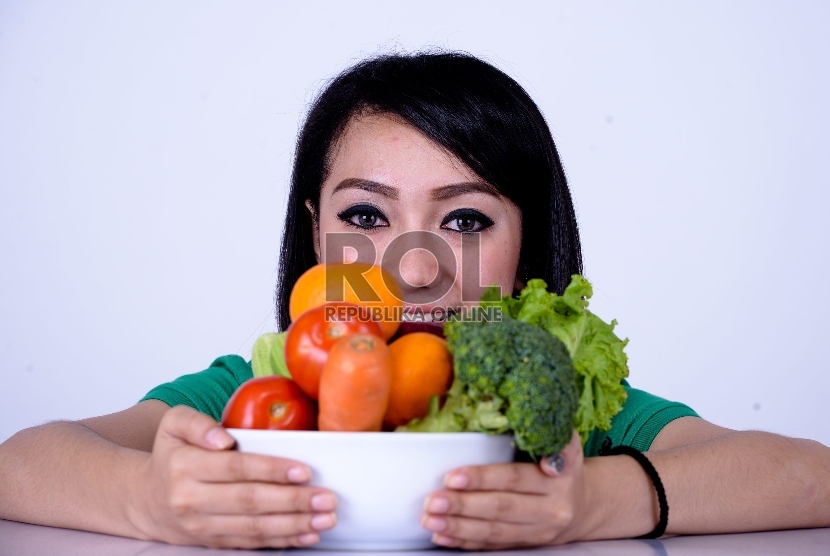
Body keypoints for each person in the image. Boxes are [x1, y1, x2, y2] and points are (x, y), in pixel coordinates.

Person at [1, 52, 829, 551]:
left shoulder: (559, 412)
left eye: (464, 219)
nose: (412, 268)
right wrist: (144, 501)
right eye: (366, 215)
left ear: (527, 247)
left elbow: (809, 478)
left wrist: (601, 502)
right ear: (317, 234)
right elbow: (22, 464)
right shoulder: (262, 397)